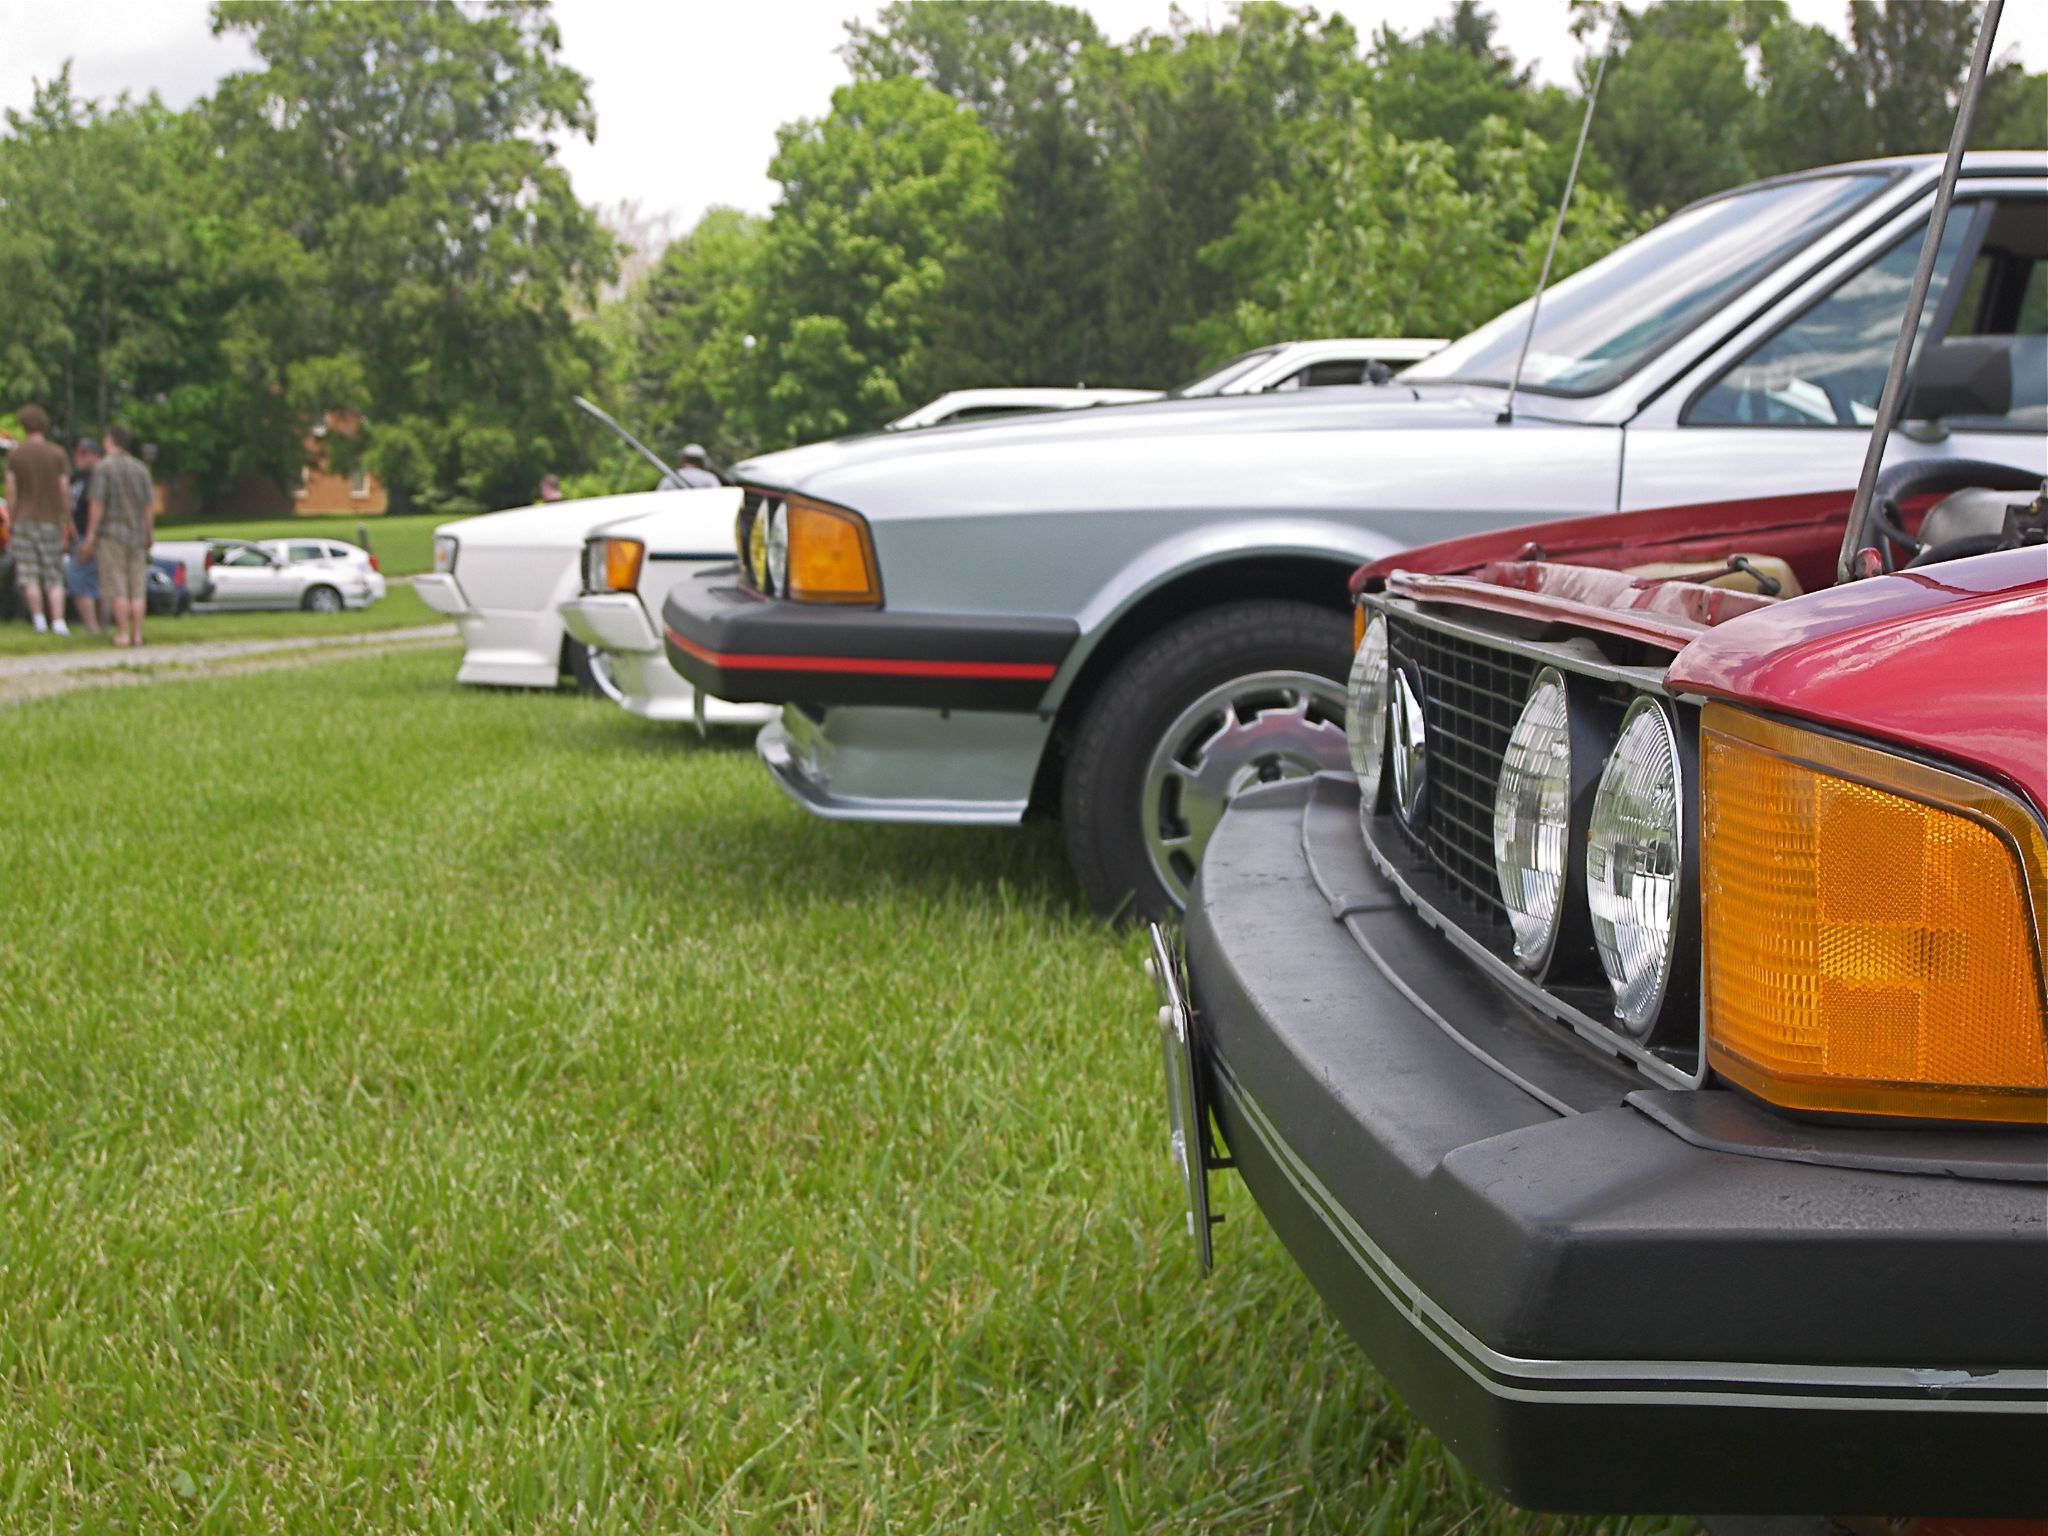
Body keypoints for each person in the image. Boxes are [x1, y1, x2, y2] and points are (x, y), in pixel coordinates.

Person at [78, 425, 155, 648]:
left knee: (117, 586)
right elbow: (148, 506)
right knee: (136, 588)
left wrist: (91, 535)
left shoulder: (103, 468)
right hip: (137, 534)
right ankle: (137, 634)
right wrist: (149, 533)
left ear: (110, 441)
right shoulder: (140, 469)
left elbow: (97, 503)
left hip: (111, 534)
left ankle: (122, 633)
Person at [4, 404, 73, 634]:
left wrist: (11, 518)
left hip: (24, 519)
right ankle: (59, 621)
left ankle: (39, 620)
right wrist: (67, 519)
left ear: (23, 426)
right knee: (53, 572)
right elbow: (64, 489)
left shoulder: (16, 454)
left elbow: (11, 490)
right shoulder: (57, 453)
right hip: (51, 519)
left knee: (29, 572)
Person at [65, 435, 103, 633]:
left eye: (83, 454)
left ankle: (94, 627)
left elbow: (96, 509)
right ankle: (95, 626)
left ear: (94, 455)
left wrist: (90, 538)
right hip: (77, 535)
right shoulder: (76, 478)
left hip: (90, 537)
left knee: (80, 580)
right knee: (84, 580)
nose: (77, 458)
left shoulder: (98, 479)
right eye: (76, 453)